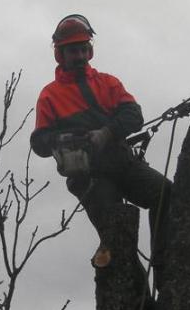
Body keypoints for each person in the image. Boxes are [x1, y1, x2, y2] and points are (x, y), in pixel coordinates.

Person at [30, 14, 172, 267]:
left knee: (167, 195)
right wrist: (65, 139)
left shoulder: (107, 83)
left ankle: (165, 268)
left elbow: (133, 115)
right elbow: (39, 143)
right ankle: (134, 300)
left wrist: (106, 133)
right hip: (89, 178)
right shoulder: (50, 96)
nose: (80, 55)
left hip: (123, 164)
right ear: (61, 54)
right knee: (117, 241)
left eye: (84, 49)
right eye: (74, 51)